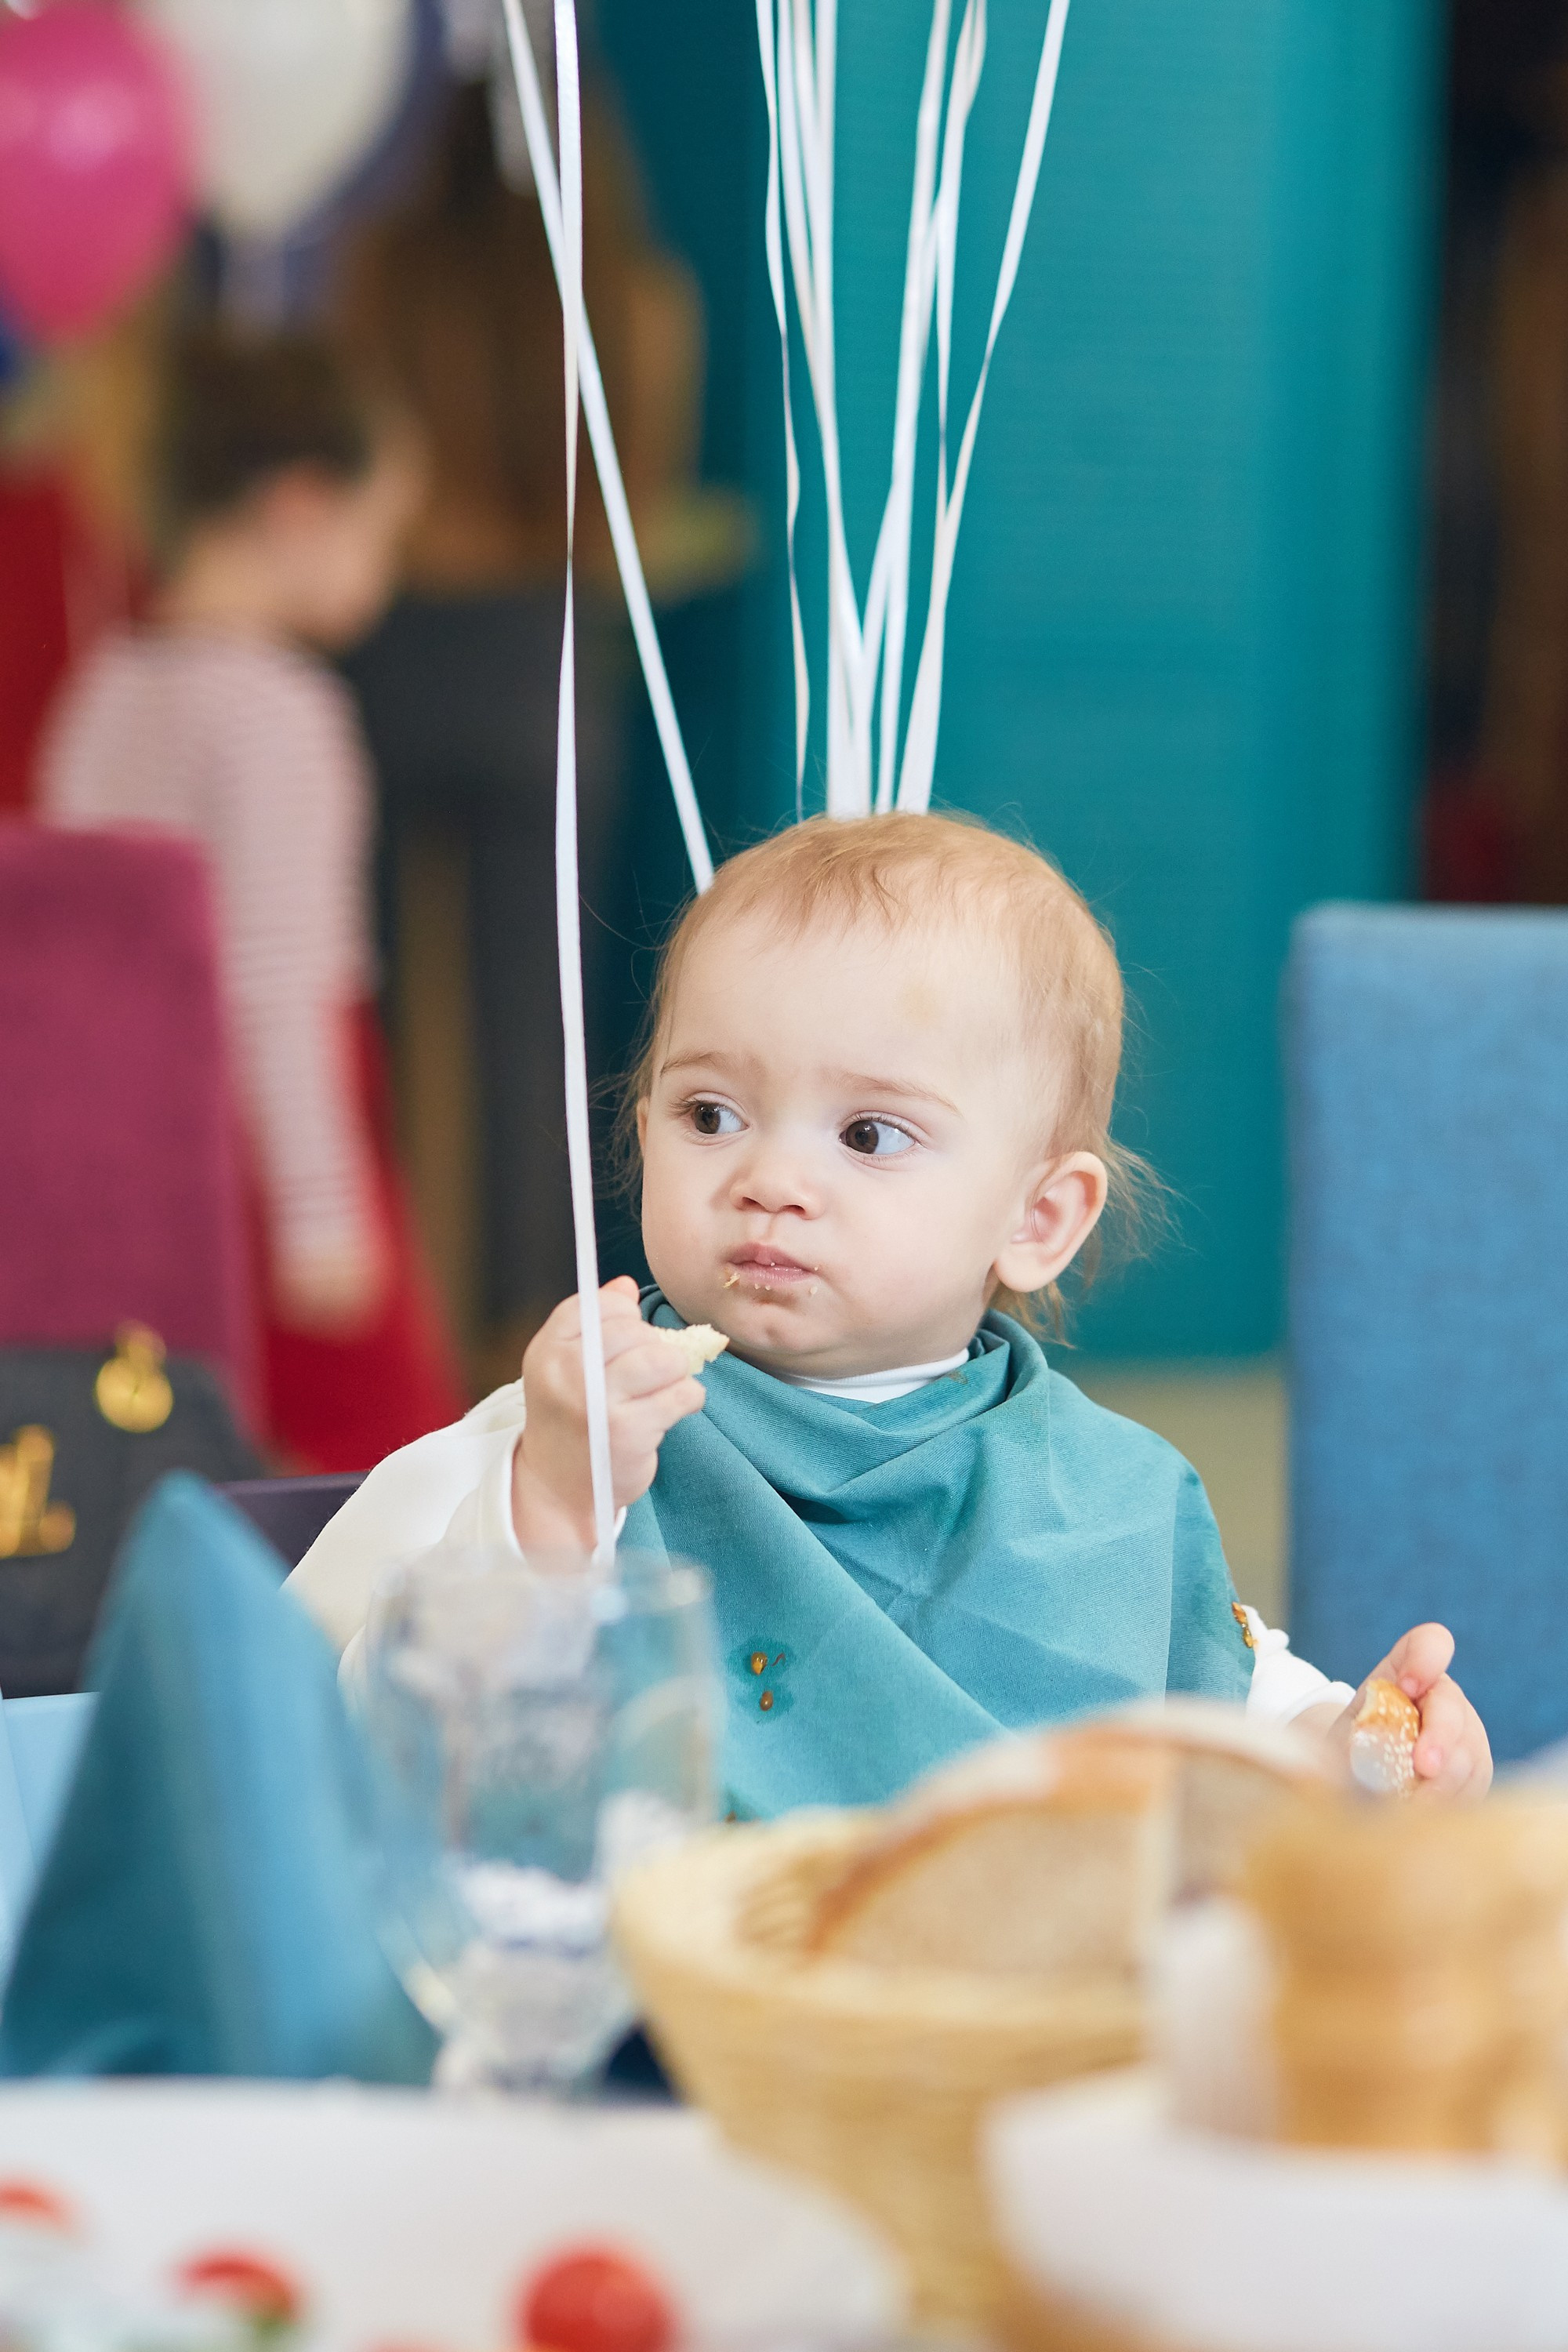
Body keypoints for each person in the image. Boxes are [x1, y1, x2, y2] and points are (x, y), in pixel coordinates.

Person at [286, 813, 1493, 1814]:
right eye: (710, 1114)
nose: (768, 1177)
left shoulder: (1108, 1500)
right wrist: (551, 1505)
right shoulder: (580, 1430)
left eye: (869, 1135)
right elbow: (333, 1746)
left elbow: (1225, 1720)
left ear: (1037, 1219)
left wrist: (1362, 1750)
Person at [42, 326, 466, 1472]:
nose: (386, 573)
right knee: (375, 1455)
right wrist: (323, 1211)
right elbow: (277, 981)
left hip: (126, 1127)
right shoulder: (279, 714)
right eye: (383, 533)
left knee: (182, 1436)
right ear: (299, 507)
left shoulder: (108, 685)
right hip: (271, 1140)